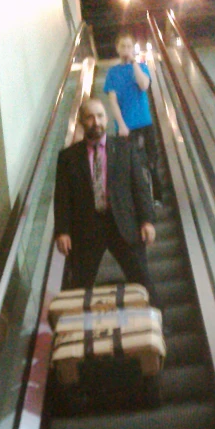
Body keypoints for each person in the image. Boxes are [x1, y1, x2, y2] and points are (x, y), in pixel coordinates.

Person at [53, 97, 159, 308]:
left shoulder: (124, 148)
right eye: (90, 117)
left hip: (123, 225)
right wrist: (62, 231)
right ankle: (78, 329)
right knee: (80, 286)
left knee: (142, 279)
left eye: (100, 116)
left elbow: (140, 188)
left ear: (107, 118)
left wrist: (147, 221)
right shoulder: (68, 157)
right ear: (82, 122)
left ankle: (158, 319)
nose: (96, 122)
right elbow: (62, 197)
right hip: (88, 229)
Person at [103, 30, 163, 204]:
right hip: (126, 127)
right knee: (129, 166)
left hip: (145, 123)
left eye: (129, 46)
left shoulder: (142, 67)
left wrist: (134, 63)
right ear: (117, 49)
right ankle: (136, 201)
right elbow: (112, 101)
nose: (126, 49)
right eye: (123, 46)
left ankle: (156, 197)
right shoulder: (112, 73)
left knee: (151, 161)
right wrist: (121, 125)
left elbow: (144, 85)